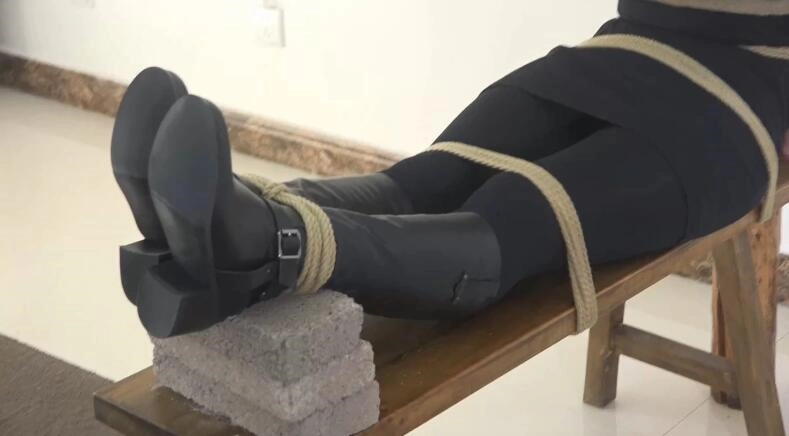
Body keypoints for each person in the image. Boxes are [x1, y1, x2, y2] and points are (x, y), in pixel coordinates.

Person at [112, 0, 789, 338]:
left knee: (521, 208)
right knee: (435, 174)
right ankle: (225, 217)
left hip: (750, 88)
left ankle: (267, 244)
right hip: (631, 46)